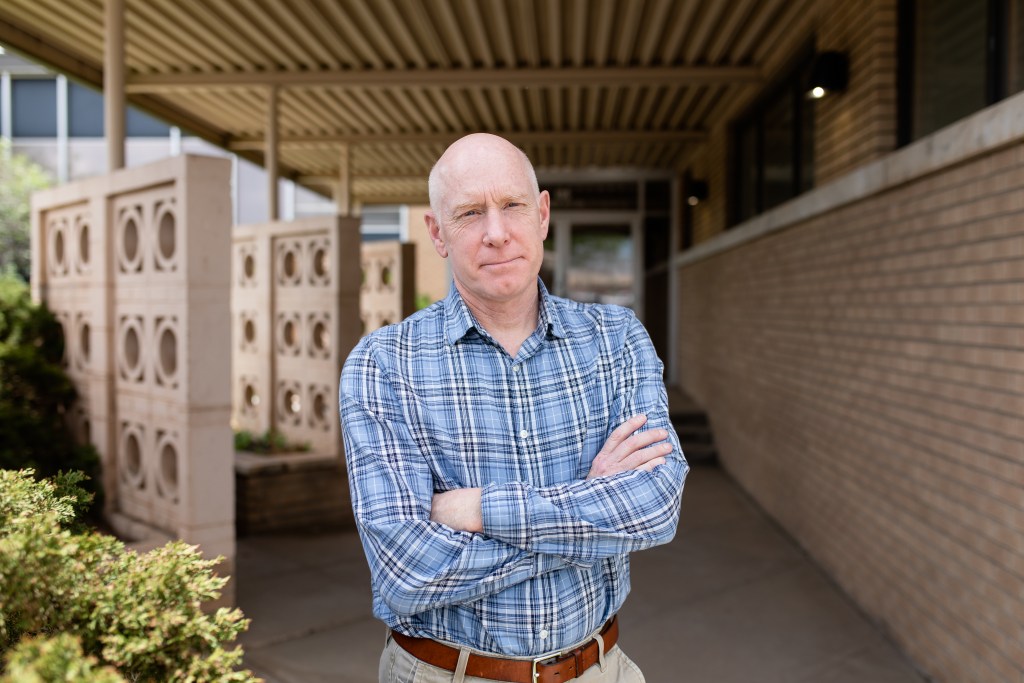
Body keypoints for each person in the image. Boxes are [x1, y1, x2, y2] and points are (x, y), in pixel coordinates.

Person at [339, 133, 688, 683]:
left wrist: (475, 510)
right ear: (438, 233)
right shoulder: (384, 364)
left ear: (542, 214)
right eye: (470, 212)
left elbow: (657, 507)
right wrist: (591, 517)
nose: (496, 233)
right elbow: (405, 570)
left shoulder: (617, 339)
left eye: (512, 206)